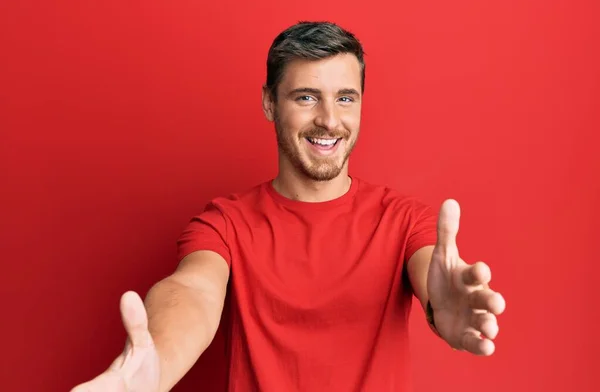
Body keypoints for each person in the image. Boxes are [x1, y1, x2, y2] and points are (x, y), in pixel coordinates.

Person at [71, 21, 506, 392]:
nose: (330, 120)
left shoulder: (404, 219)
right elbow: (192, 292)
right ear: (269, 104)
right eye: (306, 97)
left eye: (345, 98)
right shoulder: (225, 223)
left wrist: (441, 305)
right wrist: (157, 364)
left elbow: (432, 272)